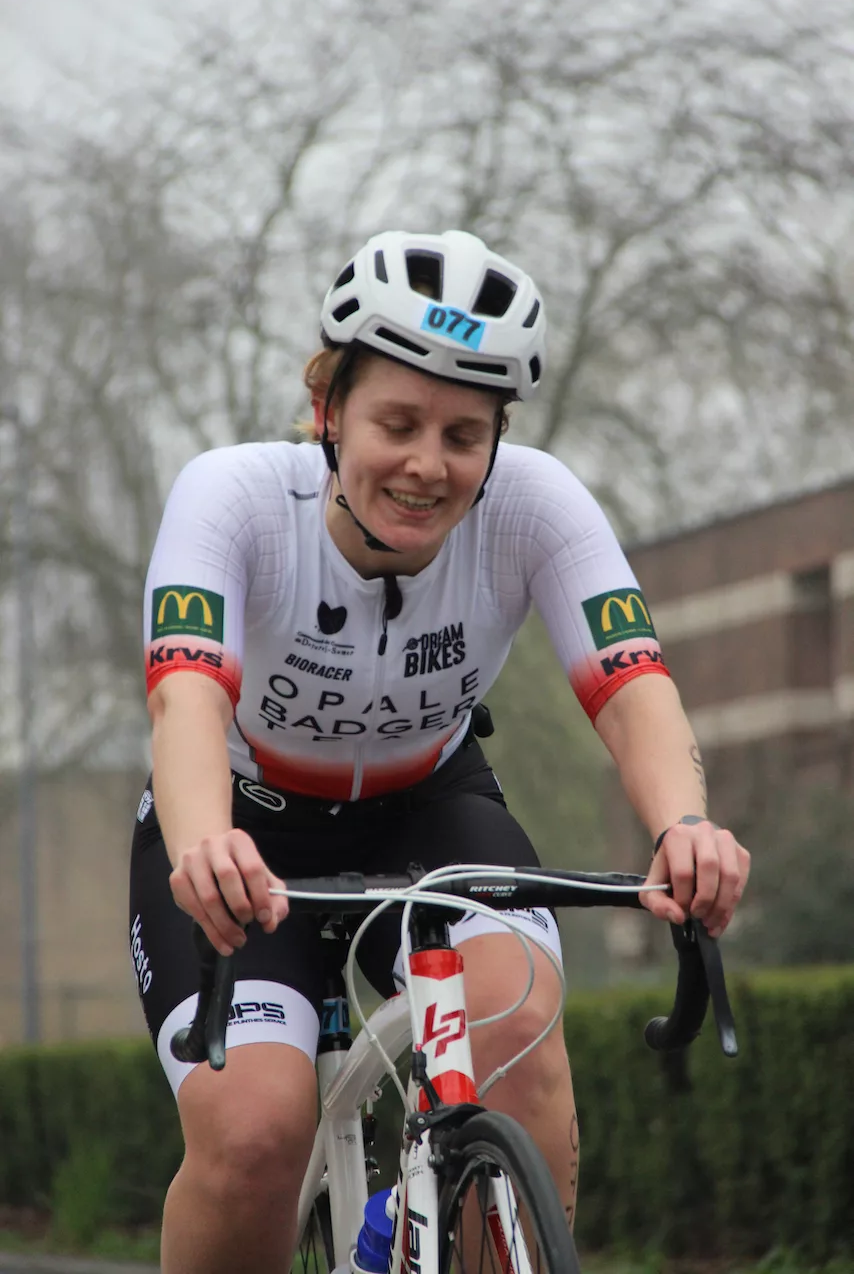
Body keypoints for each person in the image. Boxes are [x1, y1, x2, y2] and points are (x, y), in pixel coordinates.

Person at [130, 229, 750, 1273]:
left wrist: (683, 826)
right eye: (397, 423)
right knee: (253, 1136)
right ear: (327, 409)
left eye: (464, 434)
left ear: (498, 439)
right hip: (242, 826)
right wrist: (203, 843)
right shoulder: (233, 498)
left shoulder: (537, 505)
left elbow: (631, 686)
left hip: (430, 809)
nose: (427, 465)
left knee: (518, 1044)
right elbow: (184, 696)